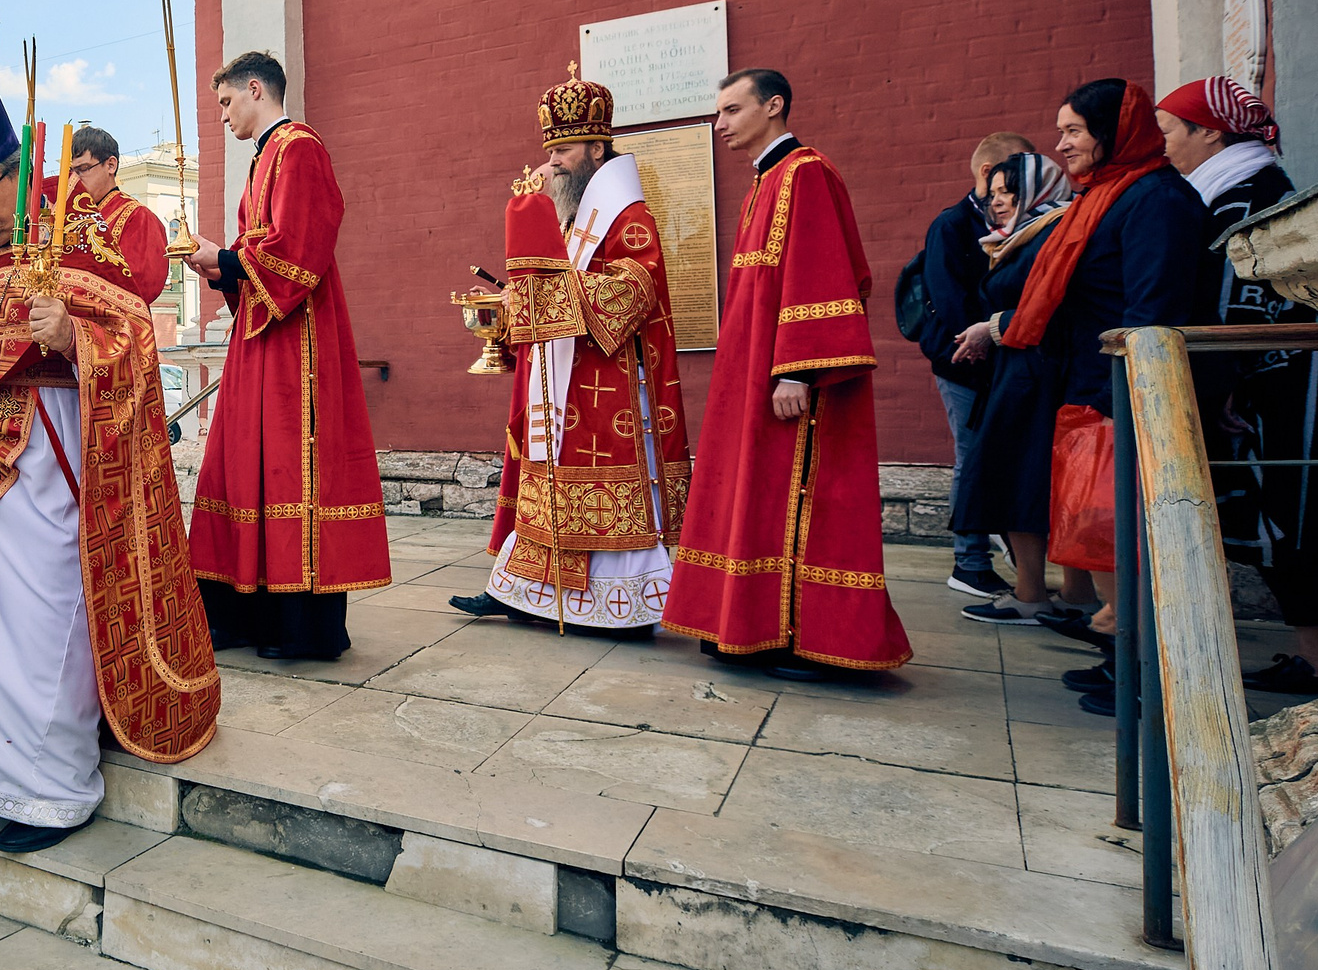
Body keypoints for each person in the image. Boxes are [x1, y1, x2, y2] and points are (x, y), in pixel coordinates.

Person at [0, 79, 218, 852]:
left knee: (39, 625)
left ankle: (48, 792)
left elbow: (132, 335)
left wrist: (71, 339)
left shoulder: (78, 231)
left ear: (15, 171)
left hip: (57, 460)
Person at [663, 69, 911, 675]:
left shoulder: (807, 174)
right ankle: (748, 624)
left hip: (791, 380)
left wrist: (798, 372)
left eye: (731, 110)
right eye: (717, 113)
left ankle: (810, 640)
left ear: (773, 107)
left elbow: (823, 274)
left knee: (799, 499)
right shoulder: (764, 182)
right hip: (752, 375)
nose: (719, 124)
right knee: (757, 497)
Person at [984, 80, 1206, 712]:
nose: (1062, 144)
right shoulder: (1103, 196)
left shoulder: (1155, 199)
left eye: (1075, 131)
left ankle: (1147, 677)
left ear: (1115, 131)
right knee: (1101, 534)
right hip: (1090, 387)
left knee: (1125, 535)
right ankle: (1121, 660)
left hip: (1128, 393)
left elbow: (1153, 309)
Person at [450, 68, 690, 638]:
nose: (551, 161)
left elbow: (636, 289)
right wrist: (514, 303)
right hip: (559, 376)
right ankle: (521, 591)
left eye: (563, 150)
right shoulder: (572, 215)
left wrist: (546, 292)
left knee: (595, 490)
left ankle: (623, 606)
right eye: (549, 149)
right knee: (544, 482)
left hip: (606, 381)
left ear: (596, 147)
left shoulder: (628, 214)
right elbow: (549, 284)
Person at [183, 53, 391, 658]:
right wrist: (222, 263)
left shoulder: (298, 147)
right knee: (246, 463)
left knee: (288, 466)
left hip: (296, 341)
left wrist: (224, 260)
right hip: (262, 334)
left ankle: (296, 626)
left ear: (256, 89)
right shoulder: (266, 155)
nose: (222, 115)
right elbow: (261, 250)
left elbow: (300, 245)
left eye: (226, 102)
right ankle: (247, 614)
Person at [1157, 76, 1318, 694]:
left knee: (1283, 521)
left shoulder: (1245, 198)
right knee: (1279, 524)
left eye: (1170, 133)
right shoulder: (1246, 188)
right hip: (1265, 380)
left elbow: (1243, 306)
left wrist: (1226, 383)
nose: (1166, 148)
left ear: (1208, 131)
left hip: (1272, 386)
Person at [950, 153, 1090, 628]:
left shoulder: (1050, 232)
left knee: (1025, 482)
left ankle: (1033, 593)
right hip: (1025, 372)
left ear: (1037, 190)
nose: (999, 203)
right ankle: (1069, 590)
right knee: (1038, 482)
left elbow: (1053, 306)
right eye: (993, 195)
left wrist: (992, 328)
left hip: (1035, 377)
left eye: (1008, 192)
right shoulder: (1025, 237)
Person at [918, 135, 1031, 595]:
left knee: (999, 457)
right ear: (986, 171)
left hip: (1002, 361)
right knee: (971, 457)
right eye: (1007, 175)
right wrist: (981, 341)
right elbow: (949, 299)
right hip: (964, 362)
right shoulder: (953, 224)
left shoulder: (1016, 221)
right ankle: (969, 561)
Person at [40, 125, 176, 309]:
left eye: (83, 169)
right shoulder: (65, 219)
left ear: (111, 165)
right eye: (70, 173)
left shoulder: (138, 218)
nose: (73, 180)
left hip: (115, 330)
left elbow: (141, 287)